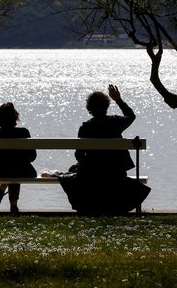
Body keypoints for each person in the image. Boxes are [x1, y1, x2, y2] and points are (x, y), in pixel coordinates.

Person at [60, 84, 150, 214]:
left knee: (73, 170)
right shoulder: (115, 122)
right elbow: (131, 116)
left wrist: (88, 165)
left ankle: (89, 205)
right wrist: (118, 100)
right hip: (115, 170)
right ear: (106, 106)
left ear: (89, 108)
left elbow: (79, 154)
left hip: (93, 172)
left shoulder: (85, 128)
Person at [0, 102, 37, 214]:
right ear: (15, 117)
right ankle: (13, 207)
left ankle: (1, 191)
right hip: (23, 171)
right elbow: (32, 157)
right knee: (15, 170)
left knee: (10, 170)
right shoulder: (24, 132)